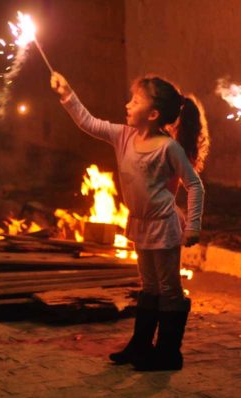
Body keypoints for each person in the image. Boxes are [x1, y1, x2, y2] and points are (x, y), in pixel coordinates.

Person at [50, 72, 210, 371]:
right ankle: (140, 346)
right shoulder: (124, 135)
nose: (127, 104)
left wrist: (194, 226)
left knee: (169, 288)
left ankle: (168, 353)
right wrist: (67, 94)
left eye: (135, 101)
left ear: (153, 114)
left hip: (163, 224)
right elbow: (89, 122)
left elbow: (195, 185)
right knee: (149, 286)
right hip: (141, 223)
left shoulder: (168, 148)